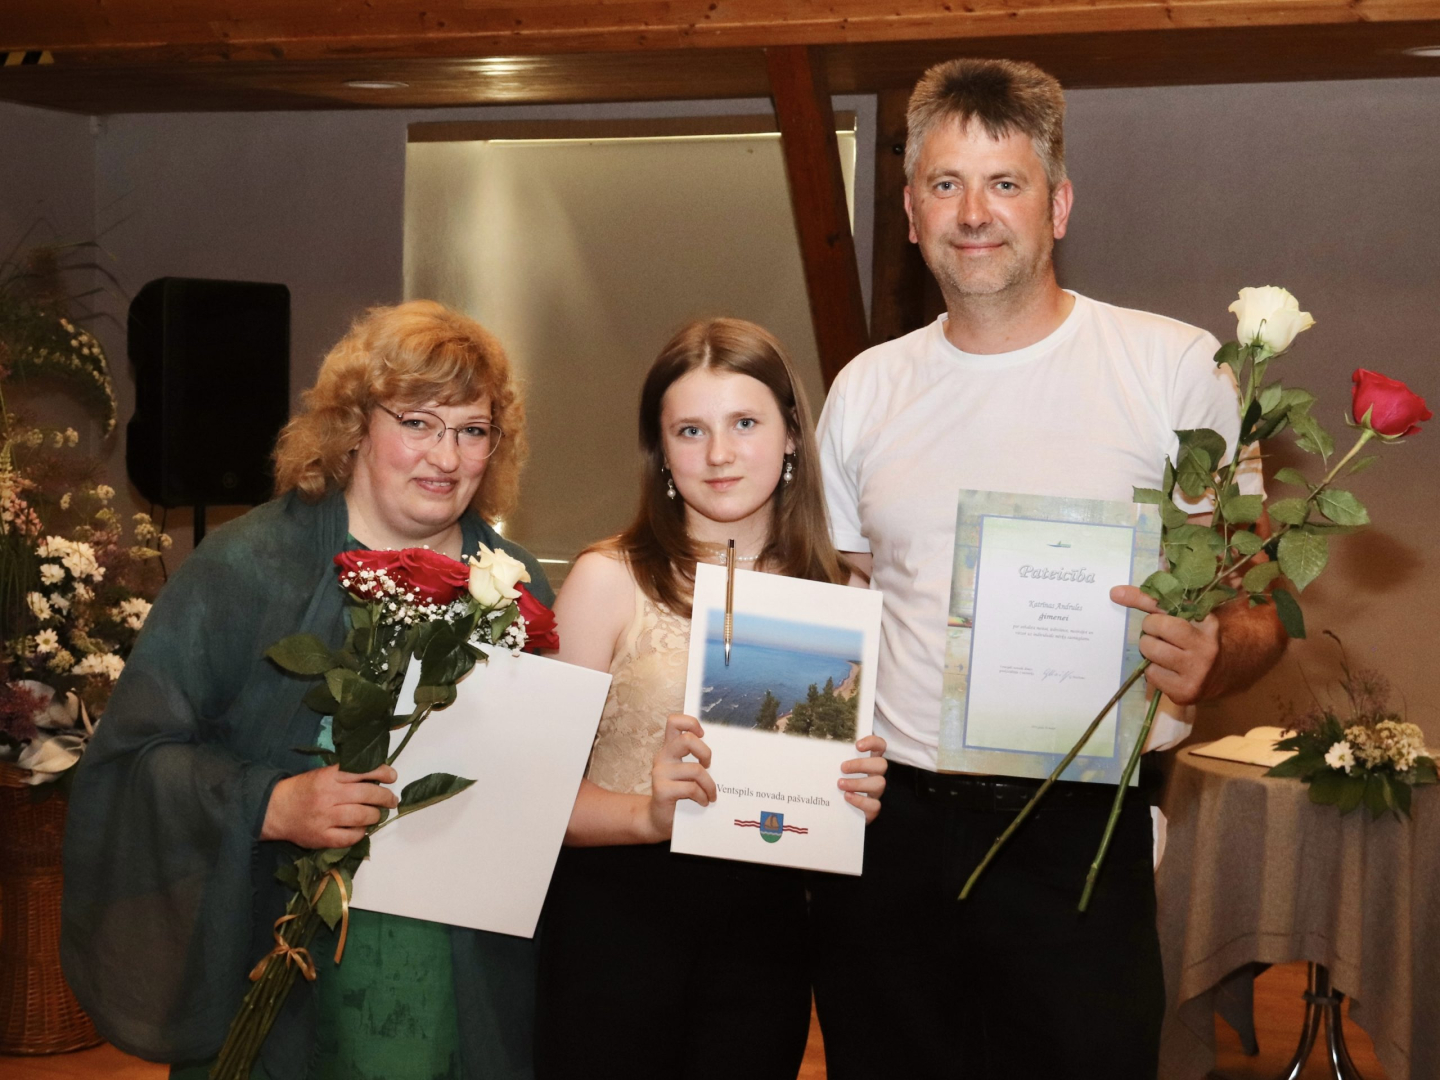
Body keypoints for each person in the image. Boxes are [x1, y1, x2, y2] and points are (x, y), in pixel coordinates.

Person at [808, 59, 1288, 1080]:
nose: (973, 213)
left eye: (1005, 183)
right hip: (892, 831)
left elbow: (1263, 598)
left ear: (1058, 204)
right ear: (910, 211)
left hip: (1081, 832)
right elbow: (854, 595)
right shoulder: (865, 390)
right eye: (945, 184)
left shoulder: (1175, 371)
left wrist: (1217, 653)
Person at [62, 300, 551, 1080]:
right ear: (357, 425)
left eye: (472, 430)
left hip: (453, 982)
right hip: (276, 962)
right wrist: (269, 803)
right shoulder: (245, 569)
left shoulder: (518, 591)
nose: (447, 456)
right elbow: (132, 762)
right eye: (418, 422)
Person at [532, 318, 887, 1080]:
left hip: (767, 939)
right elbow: (533, 797)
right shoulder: (608, 579)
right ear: (661, 452)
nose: (719, 454)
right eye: (690, 430)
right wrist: (648, 815)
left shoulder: (843, 593)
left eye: (745, 424)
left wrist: (859, 790)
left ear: (792, 436)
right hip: (617, 927)